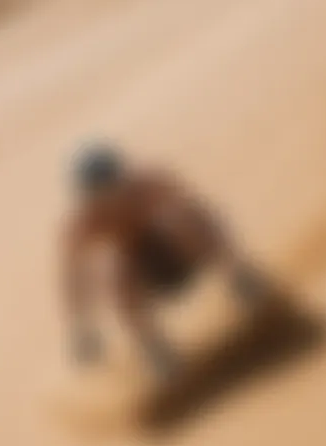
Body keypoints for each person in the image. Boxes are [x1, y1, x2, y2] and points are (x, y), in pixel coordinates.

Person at [61, 142, 261, 383]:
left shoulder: (149, 185)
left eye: (115, 186)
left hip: (179, 255)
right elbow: (76, 277)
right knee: (113, 269)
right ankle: (155, 348)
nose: (112, 199)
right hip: (142, 277)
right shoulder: (84, 225)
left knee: (180, 219)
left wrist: (233, 259)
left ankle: (241, 280)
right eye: (102, 193)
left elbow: (201, 215)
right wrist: (83, 329)